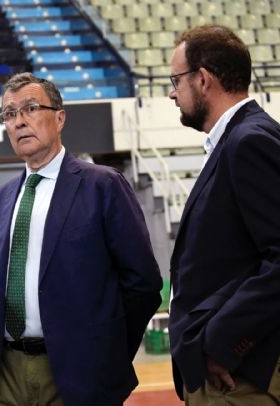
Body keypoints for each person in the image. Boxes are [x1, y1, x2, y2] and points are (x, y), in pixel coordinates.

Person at [0, 72, 163, 405]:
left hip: (80, 371)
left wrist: (109, 354)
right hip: (8, 371)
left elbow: (144, 284)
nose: (19, 122)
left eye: (30, 108)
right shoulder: (4, 198)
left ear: (60, 118)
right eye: (9, 114)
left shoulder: (102, 185)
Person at [167, 25, 280, 404]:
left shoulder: (249, 141)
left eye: (176, 80)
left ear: (203, 79)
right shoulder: (236, 141)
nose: (172, 92)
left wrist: (223, 343)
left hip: (239, 376)